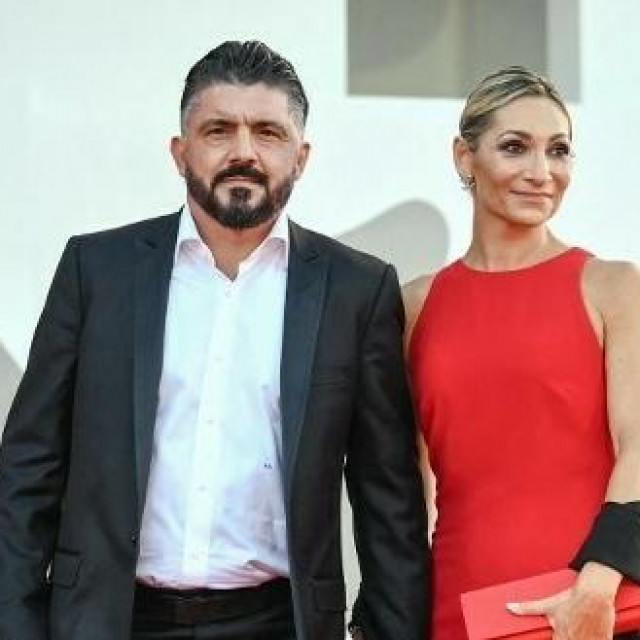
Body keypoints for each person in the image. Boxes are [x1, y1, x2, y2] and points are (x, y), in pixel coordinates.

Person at [0, 40, 430, 640]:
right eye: (219, 130)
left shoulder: (356, 290)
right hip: (108, 620)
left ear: (301, 156)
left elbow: (388, 497)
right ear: (181, 151)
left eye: (268, 133)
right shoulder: (96, 270)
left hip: (279, 622)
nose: (244, 152)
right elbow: (28, 467)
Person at [404, 66, 640, 640]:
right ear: (465, 157)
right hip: (456, 612)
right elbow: (408, 489)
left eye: (559, 151)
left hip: (595, 615)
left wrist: (595, 587)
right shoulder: (414, 305)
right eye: (515, 147)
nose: (543, 173)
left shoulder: (613, 286)